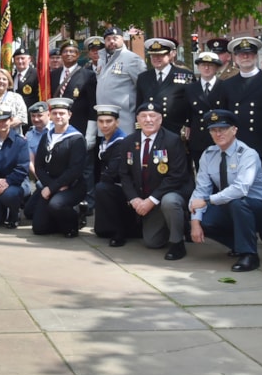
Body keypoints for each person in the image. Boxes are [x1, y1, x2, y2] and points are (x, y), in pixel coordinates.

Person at [94, 99, 192, 259]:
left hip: (163, 196)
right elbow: (124, 174)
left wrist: (151, 200)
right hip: (142, 197)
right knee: (152, 242)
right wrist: (134, 199)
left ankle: (177, 243)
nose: (148, 120)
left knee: (170, 201)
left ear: (160, 119)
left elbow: (177, 176)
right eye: (144, 116)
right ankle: (159, 225)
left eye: (153, 116)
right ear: (137, 119)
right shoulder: (128, 142)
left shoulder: (172, 141)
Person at [214, 36, 262, 251]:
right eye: (241, 54)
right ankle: (241, 238)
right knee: (237, 194)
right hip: (237, 149)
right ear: (235, 58)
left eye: (250, 53)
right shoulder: (226, 85)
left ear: (256, 56)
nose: (246, 57)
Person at [189, 109, 262, 272]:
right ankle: (238, 245)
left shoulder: (248, 154)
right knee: (204, 218)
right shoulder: (208, 155)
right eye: (214, 130)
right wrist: (195, 222)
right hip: (233, 207)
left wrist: (208, 200)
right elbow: (201, 190)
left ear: (234, 130)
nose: (218, 134)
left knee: (237, 203)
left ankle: (249, 255)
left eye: (223, 129)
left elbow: (240, 189)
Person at [30, 98, 87, 238]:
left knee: (56, 205)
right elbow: (39, 166)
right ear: (50, 116)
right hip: (52, 184)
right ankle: (61, 221)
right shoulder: (46, 137)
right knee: (39, 228)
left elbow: (75, 170)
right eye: (55, 113)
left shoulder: (77, 138)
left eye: (62, 113)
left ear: (69, 115)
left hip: (72, 186)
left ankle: (75, 220)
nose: (58, 116)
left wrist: (52, 188)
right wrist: (51, 186)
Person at [134, 37, 194, 137]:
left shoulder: (185, 75)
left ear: (171, 54)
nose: (156, 58)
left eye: (161, 54)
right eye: (153, 55)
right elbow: (139, 106)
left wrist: (188, 124)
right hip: (150, 130)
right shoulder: (143, 77)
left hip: (176, 129)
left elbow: (191, 104)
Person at [90, 104, 127, 239]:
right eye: (101, 121)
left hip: (121, 187)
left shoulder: (121, 141)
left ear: (117, 122)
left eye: (109, 121)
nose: (104, 125)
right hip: (108, 184)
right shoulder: (104, 140)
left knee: (102, 188)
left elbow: (112, 172)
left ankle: (118, 232)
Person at [97, 26, 146, 115]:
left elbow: (144, 89)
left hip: (124, 118)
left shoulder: (133, 59)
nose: (111, 41)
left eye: (115, 38)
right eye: (108, 39)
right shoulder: (101, 60)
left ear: (122, 39)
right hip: (104, 117)